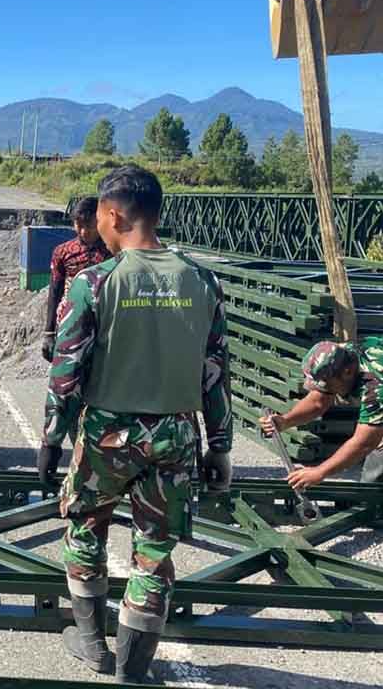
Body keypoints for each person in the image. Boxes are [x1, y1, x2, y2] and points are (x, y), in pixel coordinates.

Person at [37, 165, 231, 682]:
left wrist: (52, 440)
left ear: (113, 213)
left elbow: (65, 373)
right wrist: (221, 448)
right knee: (154, 552)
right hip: (176, 435)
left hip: (107, 435)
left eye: (99, 214)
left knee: (85, 529)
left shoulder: (94, 282)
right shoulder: (202, 280)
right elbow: (215, 372)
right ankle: (131, 673)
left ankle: (91, 644)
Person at [260, 334, 383, 488]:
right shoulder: (342, 356)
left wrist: (319, 472)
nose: (324, 388)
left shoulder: (379, 386)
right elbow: (319, 401)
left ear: (348, 372)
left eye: (326, 382)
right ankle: (376, 504)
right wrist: (285, 421)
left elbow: (364, 443)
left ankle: (375, 504)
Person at [42, 197, 111, 362]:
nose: (84, 232)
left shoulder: (112, 250)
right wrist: (49, 333)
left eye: (90, 226)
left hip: (105, 321)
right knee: (68, 370)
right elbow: (54, 291)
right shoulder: (62, 252)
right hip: (70, 320)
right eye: (79, 226)